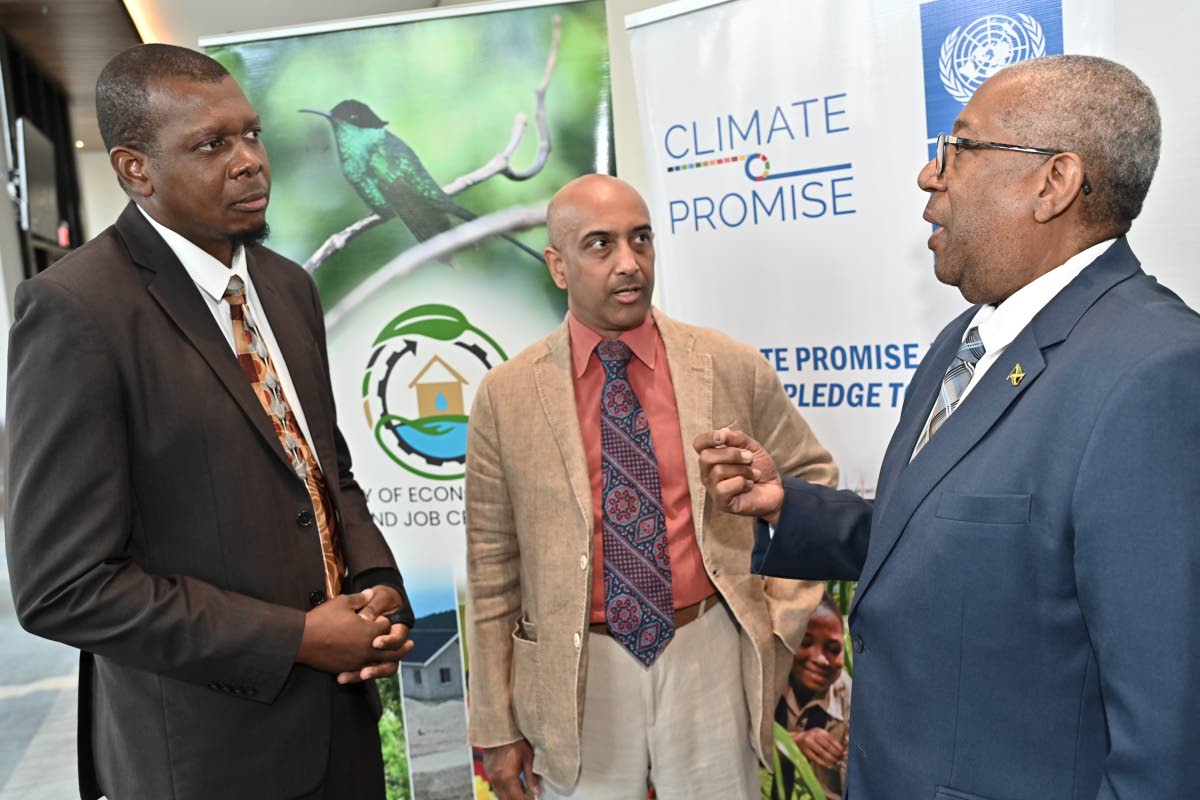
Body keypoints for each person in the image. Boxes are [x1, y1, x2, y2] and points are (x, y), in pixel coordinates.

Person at [696, 55, 1200, 798]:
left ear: (1053, 182)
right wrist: (790, 509)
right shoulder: (967, 340)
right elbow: (959, 547)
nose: (929, 176)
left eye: (959, 148)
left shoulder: (1156, 372)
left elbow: (1168, 730)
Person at [5, 44, 416, 800]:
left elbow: (323, 469)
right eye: (211, 145)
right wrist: (297, 639)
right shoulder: (76, 312)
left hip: (343, 731)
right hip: (206, 759)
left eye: (251, 134)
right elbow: (64, 586)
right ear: (135, 169)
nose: (250, 160)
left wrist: (377, 582)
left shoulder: (287, 288)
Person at [464, 174, 838, 800]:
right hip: (576, 672)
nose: (629, 263)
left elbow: (811, 480)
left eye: (640, 239)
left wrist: (781, 615)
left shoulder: (726, 365)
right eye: (600, 245)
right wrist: (498, 729)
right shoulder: (507, 395)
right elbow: (491, 567)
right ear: (557, 266)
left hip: (708, 649)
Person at [774, 592, 850, 800]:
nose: (821, 659)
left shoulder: (853, 703)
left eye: (833, 649)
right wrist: (793, 744)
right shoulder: (766, 683)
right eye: (805, 643)